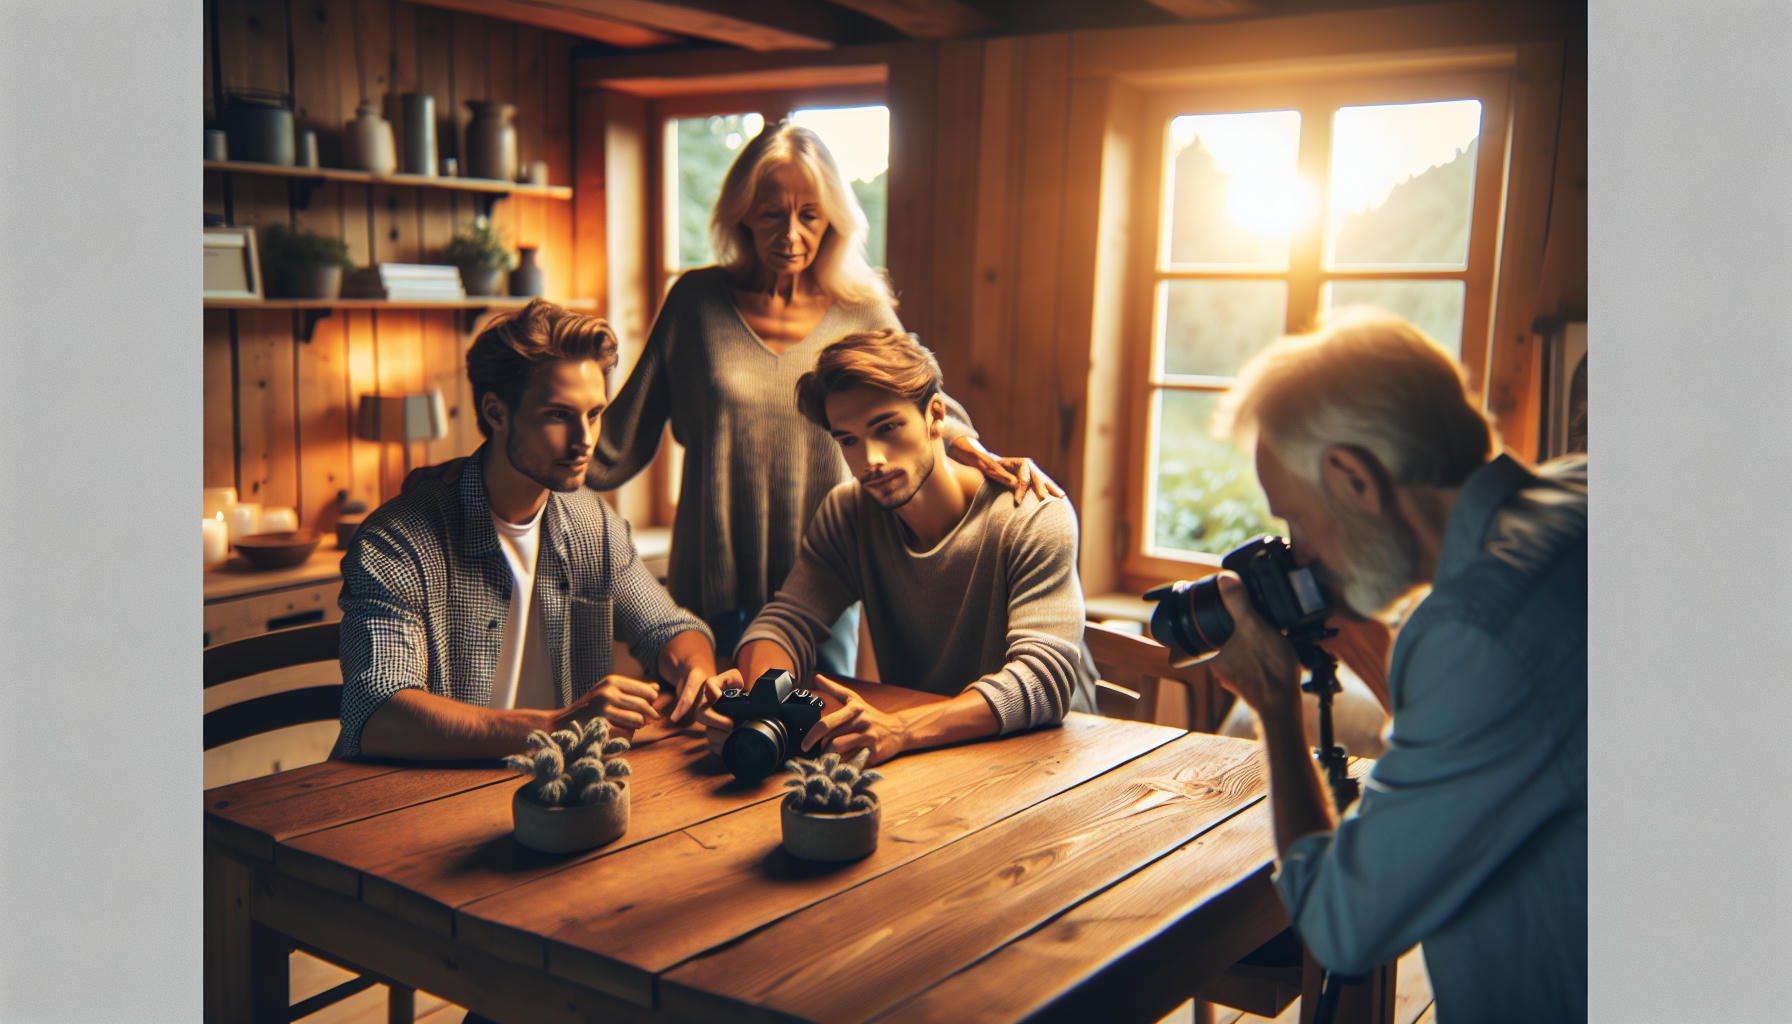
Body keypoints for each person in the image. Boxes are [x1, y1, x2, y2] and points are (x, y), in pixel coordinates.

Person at [1204, 311, 1586, 1022]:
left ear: (1353, 477)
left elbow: (1339, 929)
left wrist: (1276, 708)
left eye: (1297, 521)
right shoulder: (1580, 496)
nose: (1299, 555)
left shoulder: (1474, 630)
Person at [583, 121, 1059, 674]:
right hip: (708, 581)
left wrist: (975, 450)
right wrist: (523, 474)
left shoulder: (859, 307)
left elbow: (925, 406)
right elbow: (617, 439)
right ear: (741, 214)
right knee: (700, 743)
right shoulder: (696, 303)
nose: (790, 233)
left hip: (826, 582)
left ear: (832, 217)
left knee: (816, 740)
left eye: (808, 214)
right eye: (771, 213)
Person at [332, 300, 718, 761]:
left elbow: (667, 628)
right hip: (417, 799)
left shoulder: (593, 523)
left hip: (559, 793)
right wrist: (556, 726)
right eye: (558, 415)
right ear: (496, 413)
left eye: (593, 414)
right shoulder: (398, 544)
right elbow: (377, 713)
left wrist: (695, 671)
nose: (585, 440)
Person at [692, 328, 1098, 766]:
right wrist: (760, 707)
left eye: (887, 428)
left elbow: (1043, 682)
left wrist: (900, 729)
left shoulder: (1032, 516)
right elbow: (785, 621)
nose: (871, 460)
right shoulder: (849, 513)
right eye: (848, 439)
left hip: (1055, 759)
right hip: (930, 753)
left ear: (936, 415)